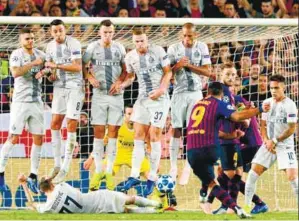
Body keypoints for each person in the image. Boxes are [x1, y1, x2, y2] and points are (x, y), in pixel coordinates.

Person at [186, 81, 270, 219]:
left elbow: (245, 121)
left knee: (228, 175)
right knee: (226, 174)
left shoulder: (198, 104)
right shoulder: (221, 103)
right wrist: (259, 109)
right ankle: (230, 205)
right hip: (218, 145)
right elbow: (237, 117)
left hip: (196, 147)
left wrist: (235, 131)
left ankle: (217, 201)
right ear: (222, 93)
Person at [120, 27, 172, 196]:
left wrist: (161, 90)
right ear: (133, 42)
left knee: (155, 135)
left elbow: (168, 72)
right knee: (138, 135)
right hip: (142, 99)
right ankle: (134, 175)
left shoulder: (158, 51)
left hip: (159, 100)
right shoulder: (130, 57)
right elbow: (131, 77)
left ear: (147, 40)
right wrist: (122, 85)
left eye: (142, 41)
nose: (140, 44)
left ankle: (152, 176)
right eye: (136, 41)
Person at [37, 19, 84, 184]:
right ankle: (57, 164)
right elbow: (51, 71)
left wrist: (56, 66)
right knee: (55, 124)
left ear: (65, 30)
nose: (58, 34)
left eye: (60, 30)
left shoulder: (74, 43)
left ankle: (66, 166)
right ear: (51, 32)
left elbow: (78, 67)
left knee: (71, 123)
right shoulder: (49, 47)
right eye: (55, 31)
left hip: (75, 88)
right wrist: (48, 73)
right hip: (59, 89)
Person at [82, 19, 127, 191]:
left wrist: (120, 81)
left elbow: (126, 70)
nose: (107, 35)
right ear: (99, 33)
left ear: (113, 32)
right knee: (99, 133)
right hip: (99, 95)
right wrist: (90, 77)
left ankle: (108, 172)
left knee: (114, 132)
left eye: (110, 32)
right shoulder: (92, 48)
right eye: (105, 32)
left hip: (116, 96)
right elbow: (82, 66)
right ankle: (99, 171)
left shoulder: (120, 48)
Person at [0, 28, 45, 193]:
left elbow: (49, 69)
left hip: (37, 102)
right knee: (14, 137)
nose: (31, 41)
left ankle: (33, 175)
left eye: (32, 38)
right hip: (20, 102)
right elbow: (16, 72)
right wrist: (34, 64)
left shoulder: (41, 54)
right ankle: (0, 173)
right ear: (21, 41)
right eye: (27, 39)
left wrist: (45, 71)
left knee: (39, 138)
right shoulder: (16, 55)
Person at [244, 75, 298, 212]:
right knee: (252, 174)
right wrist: (266, 140)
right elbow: (262, 125)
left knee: (293, 177)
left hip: (285, 145)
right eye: (271, 88)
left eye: (276, 88)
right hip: (268, 144)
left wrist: (274, 141)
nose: (273, 91)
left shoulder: (290, 105)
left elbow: (292, 128)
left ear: (283, 88)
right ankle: (246, 207)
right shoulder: (267, 103)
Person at [167, 22, 211, 180]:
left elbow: (207, 71)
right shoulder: (173, 49)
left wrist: (190, 66)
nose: (187, 39)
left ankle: (187, 166)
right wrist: (178, 66)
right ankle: (173, 167)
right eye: (184, 36)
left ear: (195, 35)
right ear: (181, 35)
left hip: (195, 93)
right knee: (176, 129)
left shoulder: (202, 47)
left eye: (190, 36)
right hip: (178, 93)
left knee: (192, 130)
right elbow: (166, 72)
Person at [18, 174, 162, 214]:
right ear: (51, 183)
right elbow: (56, 174)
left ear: (42, 191)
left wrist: (24, 184)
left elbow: (31, 204)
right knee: (130, 199)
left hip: (95, 211)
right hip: (98, 197)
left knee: (127, 211)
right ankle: (156, 205)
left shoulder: (48, 207)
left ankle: (154, 213)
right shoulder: (62, 186)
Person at [83, 104, 150, 185]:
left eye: (134, 114)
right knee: (100, 173)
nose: (132, 116)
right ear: (124, 115)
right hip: (116, 155)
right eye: (129, 114)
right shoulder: (117, 126)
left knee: (151, 176)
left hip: (134, 155)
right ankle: (92, 193)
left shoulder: (142, 127)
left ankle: (160, 197)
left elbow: (150, 145)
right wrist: (90, 158)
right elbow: (102, 143)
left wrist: (155, 163)